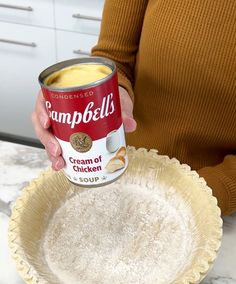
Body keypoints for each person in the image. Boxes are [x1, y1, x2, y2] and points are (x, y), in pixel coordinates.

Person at [32, 0, 236, 215]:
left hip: (212, 198)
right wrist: (92, 95)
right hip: (124, 165)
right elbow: (114, 58)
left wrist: (209, 192)